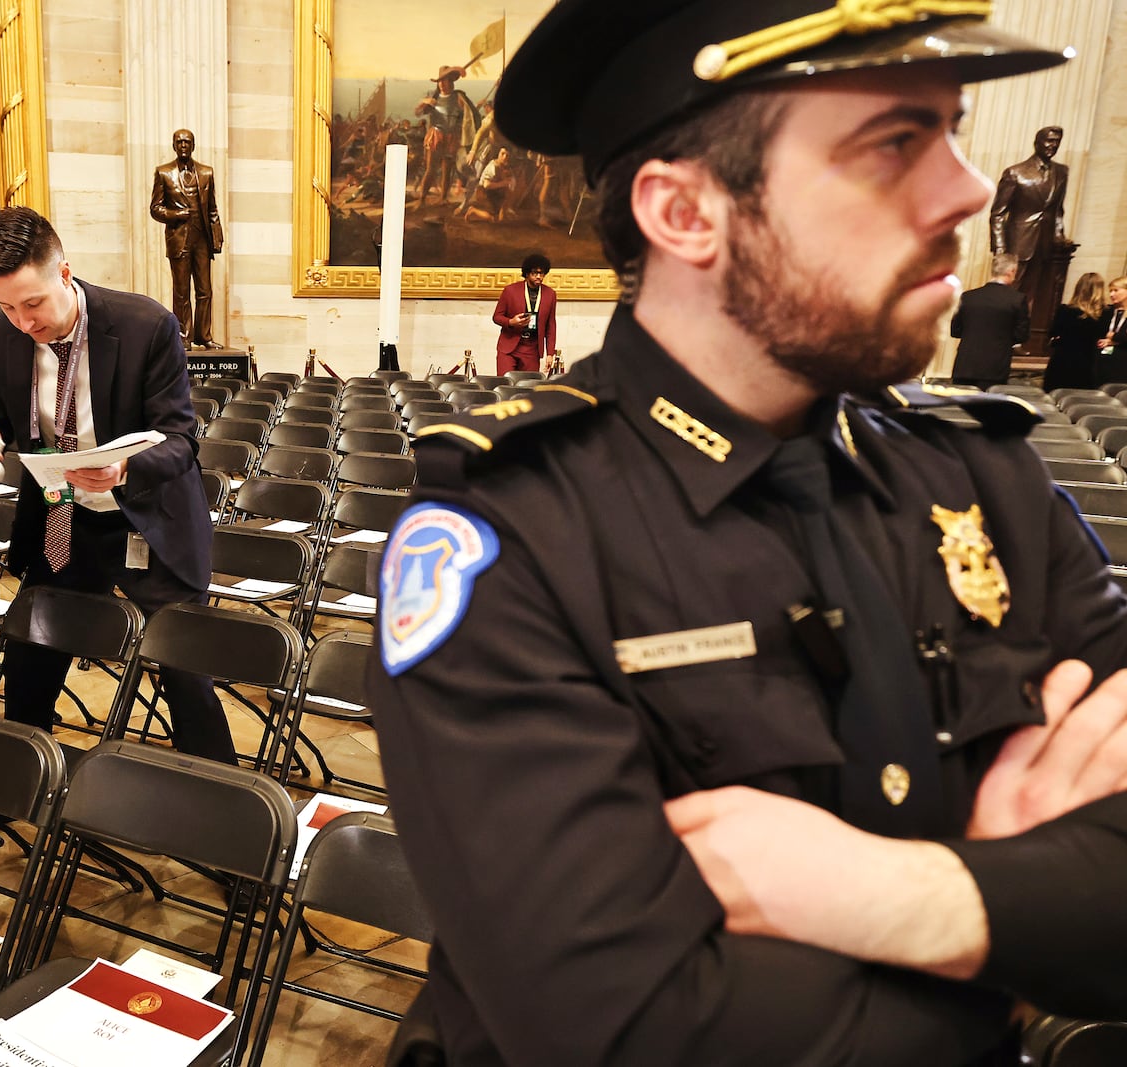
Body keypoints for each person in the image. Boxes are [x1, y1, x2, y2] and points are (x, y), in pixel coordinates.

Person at [368, 3, 1127, 1065]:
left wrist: (915, 898)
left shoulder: (982, 472)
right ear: (684, 213)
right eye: (895, 144)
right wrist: (1022, 966)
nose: (965, 188)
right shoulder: (510, 539)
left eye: (951, 132)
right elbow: (625, 1026)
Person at [0, 207, 234, 801]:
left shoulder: (144, 324)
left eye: (32, 303)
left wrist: (123, 467)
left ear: (65, 273)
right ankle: (14, 788)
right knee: (31, 650)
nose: (21, 321)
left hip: (144, 520)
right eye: (7, 306)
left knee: (184, 670)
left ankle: (225, 813)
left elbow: (182, 440)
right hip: (62, 518)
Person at [149, 129, 224, 349]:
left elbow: (212, 210)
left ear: (193, 145)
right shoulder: (164, 173)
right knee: (181, 292)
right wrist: (175, 215)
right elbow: (155, 209)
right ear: (174, 145)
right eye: (179, 142)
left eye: (187, 142)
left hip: (202, 240)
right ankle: (184, 337)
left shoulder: (206, 173)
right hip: (179, 240)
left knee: (205, 291)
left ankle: (204, 336)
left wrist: (216, 239)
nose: (183, 146)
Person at [990, 126, 1069, 303]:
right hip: (1018, 242)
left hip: (1044, 243)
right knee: (1009, 292)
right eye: (1049, 141)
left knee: (1031, 295)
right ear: (1037, 143)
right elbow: (998, 213)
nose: (1053, 145)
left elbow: (1057, 209)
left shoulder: (1062, 172)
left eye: (1057, 142)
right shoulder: (1015, 173)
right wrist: (1000, 248)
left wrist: (1058, 234)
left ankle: (1022, 328)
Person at [949, 253, 1029, 389]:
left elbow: (955, 330)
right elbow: (1022, 335)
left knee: (958, 407)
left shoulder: (968, 297)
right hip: (994, 367)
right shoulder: (1017, 299)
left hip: (965, 364)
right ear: (1011, 271)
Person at [412, 66, 479, 208]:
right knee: (431, 168)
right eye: (440, 81)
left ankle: (443, 198)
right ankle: (422, 199)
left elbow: (469, 115)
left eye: (445, 80)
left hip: (451, 138)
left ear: (451, 82)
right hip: (436, 136)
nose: (442, 84)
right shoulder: (432, 96)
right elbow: (417, 113)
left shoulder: (458, 97)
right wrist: (425, 103)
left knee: (447, 168)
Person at [490, 252, 555, 375]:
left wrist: (550, 353)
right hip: (509, 347)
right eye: (535, 273)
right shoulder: (510, 290)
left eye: (541, 273)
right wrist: (511, 322)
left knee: (527, 387)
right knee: (505, 385)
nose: (538, 277)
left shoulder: (550, 294)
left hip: (532, 348)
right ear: (527, 274)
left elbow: (551, 326)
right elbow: (496, 317)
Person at [1044, 272, 1108, 391]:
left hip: (1063, 358)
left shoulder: (1065, 310)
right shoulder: (1105, 313)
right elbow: (1103, 335)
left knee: (1055, 392)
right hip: (1087, 359)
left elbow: (1053, 332)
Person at [1102, 275, 1127, 380]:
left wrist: (1113, 338)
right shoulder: (1108, 311)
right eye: (1110, 291)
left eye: (1116, 290)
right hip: (1105, 358)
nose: (1111, 294)